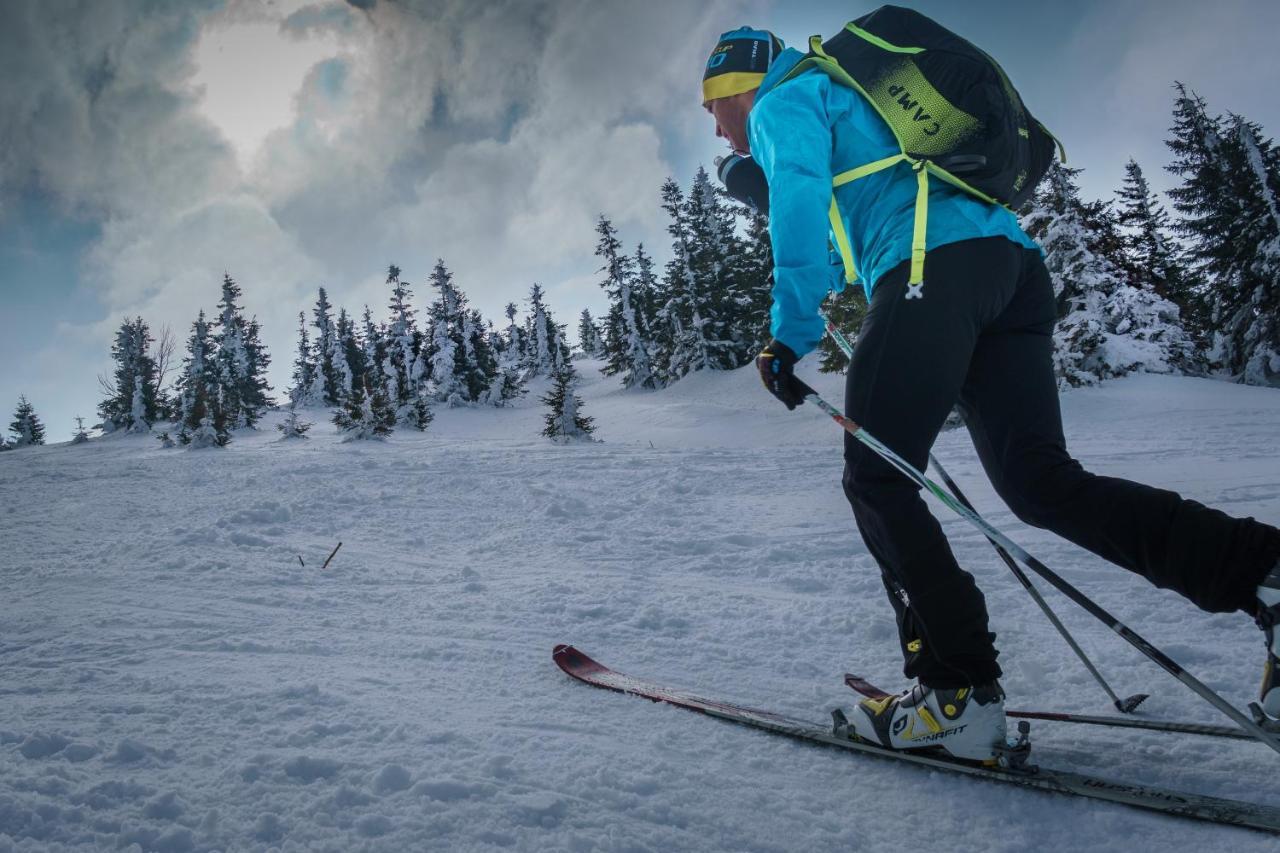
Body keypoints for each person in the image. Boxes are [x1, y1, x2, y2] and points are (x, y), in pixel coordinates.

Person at [702, 25, 1280, 763]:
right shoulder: (843, 93)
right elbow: (858, 197)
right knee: (1040, 482)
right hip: (1008, 270)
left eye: (710, 104)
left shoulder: (785, 98)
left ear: (735, 86)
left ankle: (957, 694)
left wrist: (786, 336)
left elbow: (804, 207)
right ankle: (1265, 573)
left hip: (930, 269)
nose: (711, 125)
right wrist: (770, 187)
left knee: (878, 477)